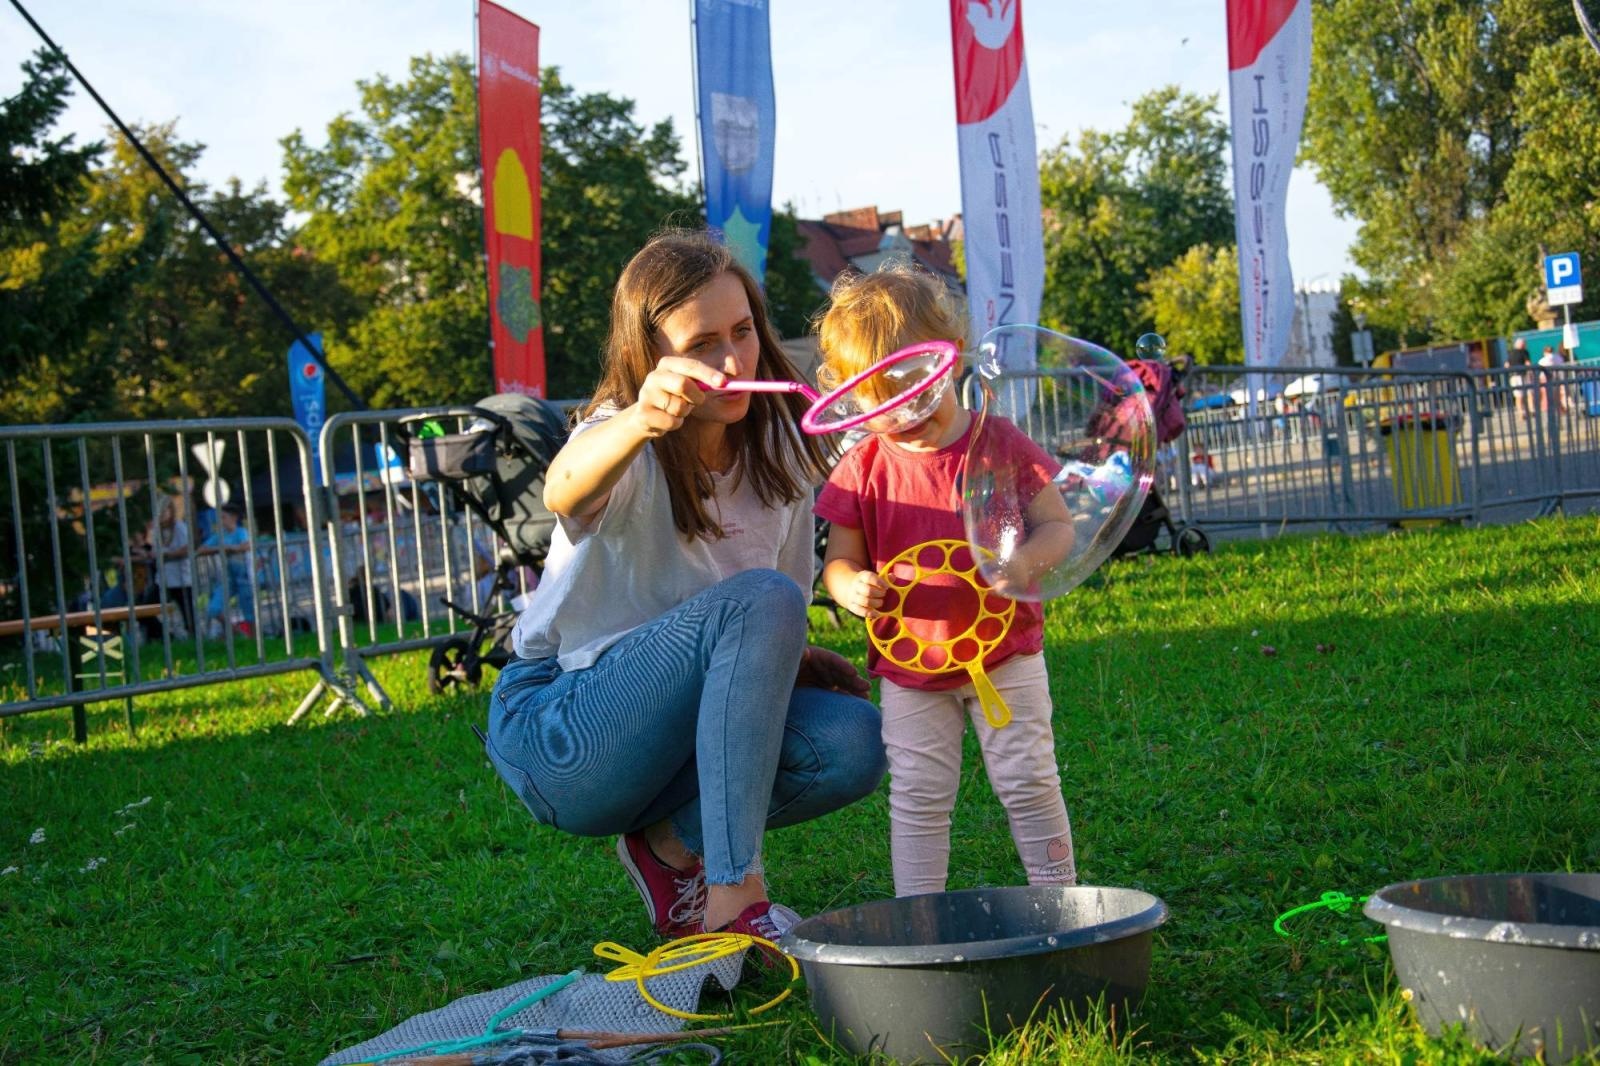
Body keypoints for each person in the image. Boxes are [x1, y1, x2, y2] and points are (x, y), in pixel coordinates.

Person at [484, 230, 887, 942]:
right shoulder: (621, 438)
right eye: (702, 343)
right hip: (560, 730)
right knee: (766, 597)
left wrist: (784, 658)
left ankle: (669, 847)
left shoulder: (785, 449)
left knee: (857, 741)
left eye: (742, 332)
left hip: (672, 731)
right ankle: (735, 901)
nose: (734, 361)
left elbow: (758, 602)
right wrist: (640, 419)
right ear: (653, 356)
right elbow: (562, 490)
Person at [813, 263, 1079, 900]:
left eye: (915, 388)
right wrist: (851, 588)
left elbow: (1058, 528)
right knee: (919, 795)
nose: (903, 414)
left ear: (949, 357)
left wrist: (1021, 566)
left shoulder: (1001, 443)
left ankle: (1059, 897)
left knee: (1028, 778)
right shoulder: (863, 466)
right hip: (910, 669)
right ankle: (919, 913)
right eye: (877, 403)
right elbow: (839, 561)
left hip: (1004, 653)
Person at [200, 500, 256, 638]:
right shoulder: (220, 536)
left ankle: (254, 639)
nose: (220, 521)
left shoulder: (241, 532)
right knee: (214, 608)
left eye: (223, 517)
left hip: (244, 576)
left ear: (234, 517)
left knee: (249, 610)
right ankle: (239, 633)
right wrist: (220, 548)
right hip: (228, 577)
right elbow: (201, 549)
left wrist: (230, 548)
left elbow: (246, 546)